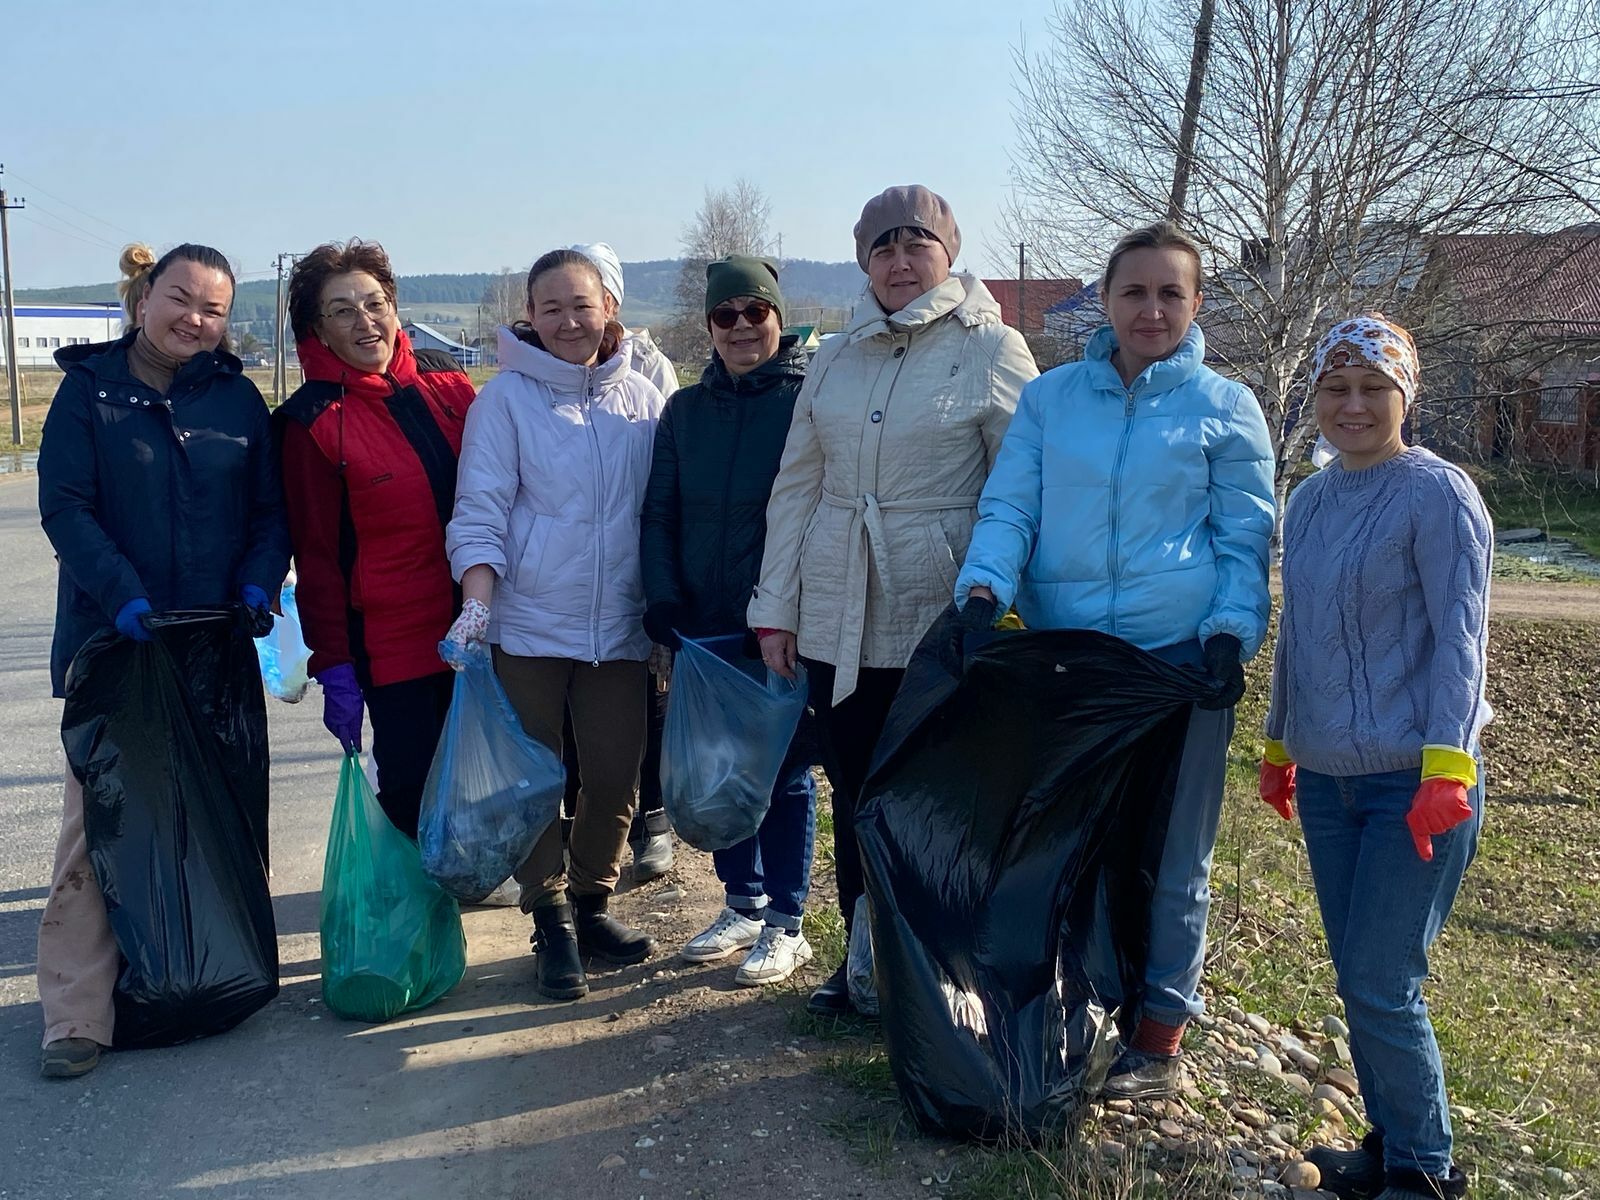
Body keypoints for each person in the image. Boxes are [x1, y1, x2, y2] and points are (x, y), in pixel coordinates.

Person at [945, 219, 1275, 1098]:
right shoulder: (1051, 402)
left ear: (1197, 304)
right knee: (1065, 840)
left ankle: (1160, 1030)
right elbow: (1011, 508)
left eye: (1172, 292)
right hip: (1070, 661)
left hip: (1178, 662)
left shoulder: (1226, 407)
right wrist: (984, 592)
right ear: (1105, 299)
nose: (1152, 309)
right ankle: (1067, 1007)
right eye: (1134, 291)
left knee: (1172, 851)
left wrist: (1230, 632)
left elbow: (1244, 538)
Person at [749, 185, 1038, 1014]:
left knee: (936, 798)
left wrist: (1012, 610)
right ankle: (866, 962)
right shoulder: (836, 356)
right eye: (883, 247)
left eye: (917, 244)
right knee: (856, 790)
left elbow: (1024, 489)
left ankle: (942, 973)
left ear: (948, 252)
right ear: (863, 262)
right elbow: (797, 487)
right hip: (838, 613)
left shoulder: (993, 347)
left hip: (940, 616)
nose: (901, 260)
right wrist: (776, 605)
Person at [35, 242, 290, 1078]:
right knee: (101, 823)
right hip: (118, 641)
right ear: (144, 297)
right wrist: (120, 596)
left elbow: (270, 512)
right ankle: (75, 1015)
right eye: (180, 298)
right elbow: (67, 510)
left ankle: (217, 971)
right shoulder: (85, 396)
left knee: (217, 810)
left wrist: (257, 582)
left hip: (215, 640)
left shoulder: (238, 400)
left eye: (212, 309)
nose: (194, 318)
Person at [1260, 314, 1488, 1200]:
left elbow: (1462, 644)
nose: (1353, 405)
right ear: (1315, 396)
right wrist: (1282, 744)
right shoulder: (1309, 501)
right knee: (1359, 976)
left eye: (1372, 388)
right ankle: (1392, 1145)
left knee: (1382, 979)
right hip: (1328, 780)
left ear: (1406, 395)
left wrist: (1448, 766)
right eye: (1336, 388)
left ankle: (1426, 1168)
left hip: (1416, 780)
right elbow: (1297, 641)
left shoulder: (1439, 494)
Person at [445, 248, 664, 1001]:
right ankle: (550, 921)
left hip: (621, 629)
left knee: (613, 772)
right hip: (529, 625)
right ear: (530, 317)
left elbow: (661, 515)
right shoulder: (503, 402)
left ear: (608, 305)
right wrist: (477, 603)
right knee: (536, 781)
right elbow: (480, 509)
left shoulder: (643, 399)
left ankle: (593, 903)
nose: (569, 321)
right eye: (551, 308)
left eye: (582, 304)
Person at [640, 255, 818, 985]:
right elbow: (659, 511)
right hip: (701, 623)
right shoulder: (684, 411)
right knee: (715, 766)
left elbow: (814, 514)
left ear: (778, 318)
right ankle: (740, 902)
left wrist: (786, 608)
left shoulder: (808, 403)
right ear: (709, 325)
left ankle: (787, 921)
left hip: (778, 623)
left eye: (755, 312)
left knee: (784, 770)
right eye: (726, 315)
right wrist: (661, 598)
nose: (742, 328)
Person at [276, 240, 477, 840]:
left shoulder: (453, 390)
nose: (365, 321)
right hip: (398, 655)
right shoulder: (310, 423)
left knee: (496, 802)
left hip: (489, 637)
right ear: (317, 330)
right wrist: (334, 666)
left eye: (376, 302)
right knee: (419, 815)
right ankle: (419, 928)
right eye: (342, 310)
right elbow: (316, 559)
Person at [568, 242, 677, 880]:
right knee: (579, 718)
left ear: (612, 303)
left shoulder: (649, 372)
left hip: (636, 563)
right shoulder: (527, 387)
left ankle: (651, 818)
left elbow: (662, 471)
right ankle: (579, 835)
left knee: (643, 700)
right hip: (565, 583)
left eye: (594, 300)